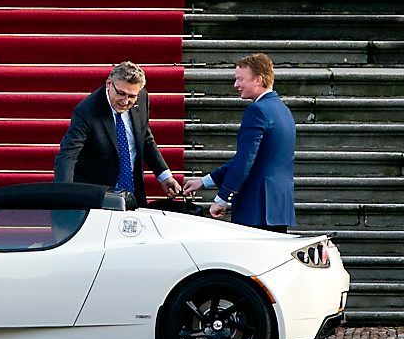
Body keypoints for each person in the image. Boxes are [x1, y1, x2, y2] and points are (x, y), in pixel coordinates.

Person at [183, 53, 296, 232]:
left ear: (258, 79)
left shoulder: (257, 110)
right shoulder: (283, 110)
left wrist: (222, 198)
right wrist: (205, 181)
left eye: (240, 79)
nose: (236, 85)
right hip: (277, 207)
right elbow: (255, 158)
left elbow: (245, 160)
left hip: (256, 207)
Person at [54, 61, 182, 205]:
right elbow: (68, 155)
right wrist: (63, 196)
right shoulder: (87, 111)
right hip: (98, 196)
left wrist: (165, 176)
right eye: (121, 93)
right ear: (109, 84)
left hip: (133, 194)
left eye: (132, 96)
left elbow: (145, 139)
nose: (125, 101)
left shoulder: (142, 97)